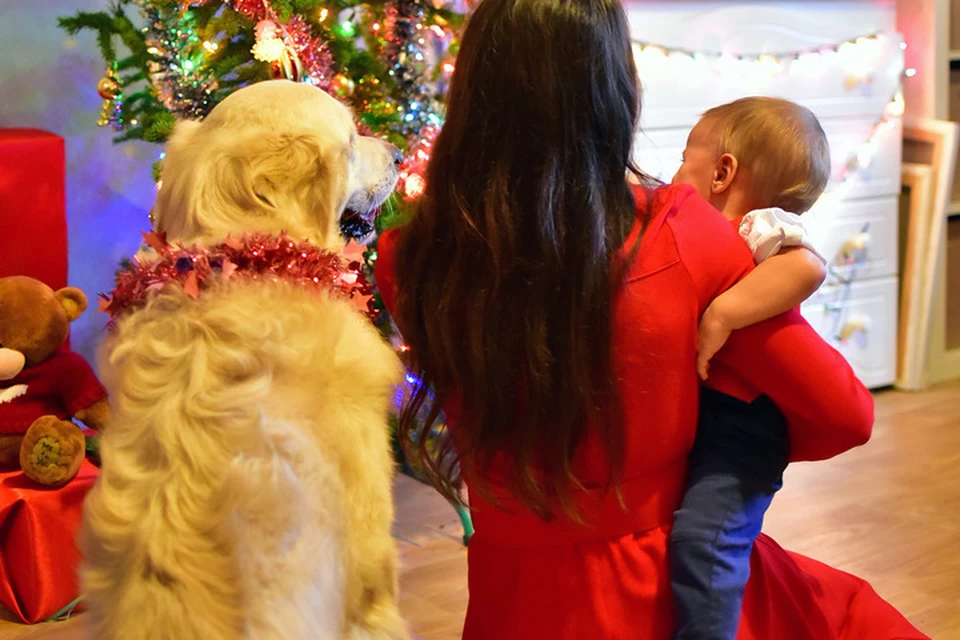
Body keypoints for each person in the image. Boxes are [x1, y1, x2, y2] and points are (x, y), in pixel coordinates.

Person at [374, 0, 928, 637]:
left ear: (472, 90)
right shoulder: (681, 235)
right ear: (613, 89)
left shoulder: (407, 261)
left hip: (511, 604)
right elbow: (846, 415)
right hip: (668, 597)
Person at [668, 96, 832, 639]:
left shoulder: (757, 227)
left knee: (703, 541)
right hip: (702, 416)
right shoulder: (687, 226)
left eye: (683, 157)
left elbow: (808, 266)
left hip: (744, 430)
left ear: (722, 172)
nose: (674, 172)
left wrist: (724, 314)